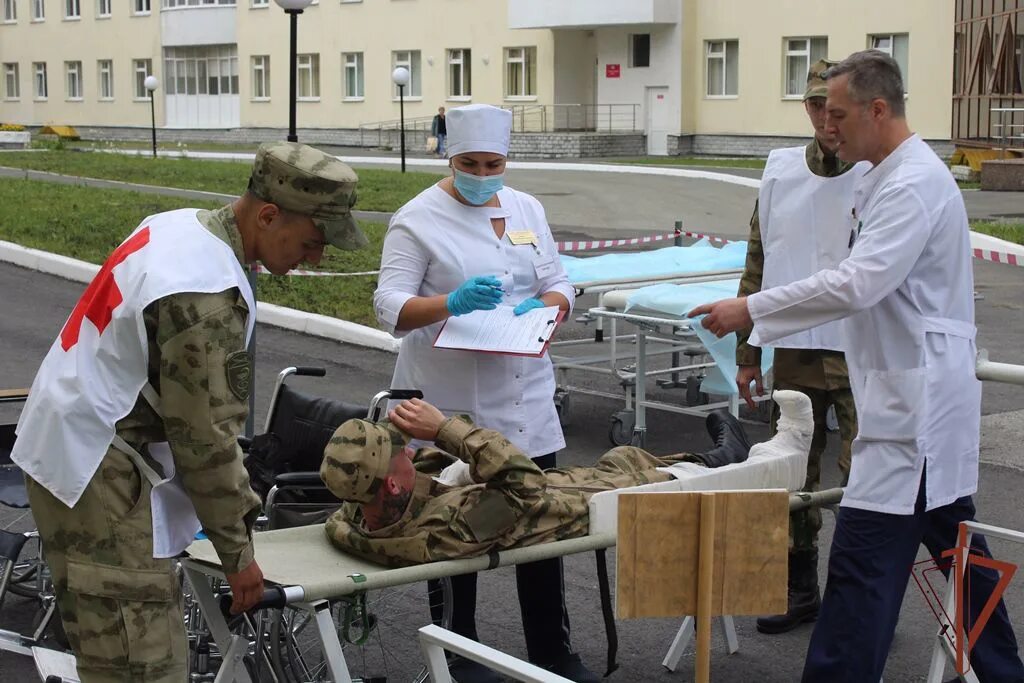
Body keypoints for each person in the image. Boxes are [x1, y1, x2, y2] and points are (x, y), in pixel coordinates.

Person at [688, 50, 1024, 682]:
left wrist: (749, 311)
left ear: (878, 109)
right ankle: (1003, 671)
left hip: (911, 416)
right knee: (956, 553)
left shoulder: (912, 185)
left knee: (862, 568)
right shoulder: (885, 176)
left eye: (836, 112)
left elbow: (857, 283)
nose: (827, 126)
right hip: (912, 401)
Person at [12, 141, 367, 682]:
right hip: (98, 475)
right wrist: (238, 554)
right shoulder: (206, 296)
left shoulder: (182, 226)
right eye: (313, 241)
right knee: (143, 666)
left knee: (115, 653)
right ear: (268, 215)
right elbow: (206, 442)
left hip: (76, 453)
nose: (315, 258)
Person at [372, 103, 583, 682]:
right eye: (471, 163)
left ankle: (553, 652)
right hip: (449, 404)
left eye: (495, 163)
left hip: (526, 400)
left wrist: (550, 307)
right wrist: (450, 303)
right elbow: (388, 306)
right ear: (449, 155)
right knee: (451, 534)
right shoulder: (417, 219)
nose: (484, 175)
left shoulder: (526, 209)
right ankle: (456, 658)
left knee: (543, 528)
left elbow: (557, 279)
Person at [319, 396, 767, 566]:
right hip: (577, 505)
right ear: (392, 485)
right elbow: (525, 488)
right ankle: (725, 459)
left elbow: (341, 520)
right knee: (652, 473)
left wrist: (433, 457)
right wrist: (445, 430)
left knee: (620, 456)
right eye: (399, 455)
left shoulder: (360, 512)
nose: (408, 452)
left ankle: (709, 456)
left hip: (562, 485)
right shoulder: (448, 529)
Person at [735, 58, 866, 635]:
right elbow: (757, 265)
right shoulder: (781, 174)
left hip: (862, 351)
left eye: (834, 107)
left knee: (869, 474)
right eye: (815, 106)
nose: (825, 118)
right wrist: (747, 353)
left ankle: (860, 591)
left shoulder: (877, 172)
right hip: (797, 348)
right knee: (795, 473)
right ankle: (799, 587)